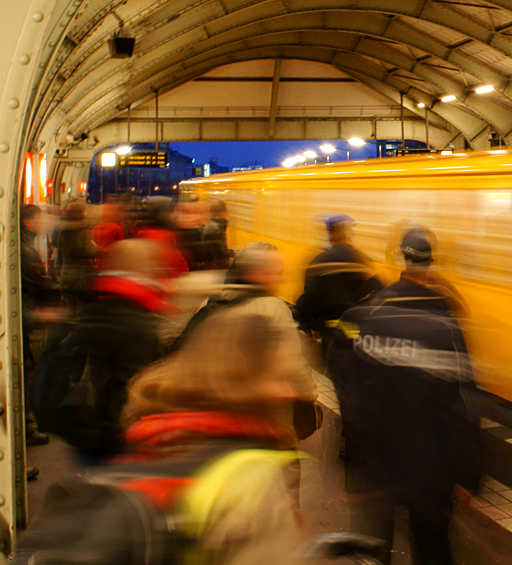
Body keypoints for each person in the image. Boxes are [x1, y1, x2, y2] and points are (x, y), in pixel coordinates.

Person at [17, 313, 306, 565]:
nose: (288, 391)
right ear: (244, 382)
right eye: (278, 377)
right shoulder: (250, 477)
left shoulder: (155, 434)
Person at [329, 228, 480, 565]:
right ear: (431, 261)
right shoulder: (446, 321)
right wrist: (469, 471)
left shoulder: (370, 312)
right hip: (427, 461)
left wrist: (349, 447)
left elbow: (344, 378)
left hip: (374, 460)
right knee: (431, 544)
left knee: (371, 545)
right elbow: (463, 400)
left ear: (401, 257)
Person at [34, 239, 168, 461]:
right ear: (144, 269)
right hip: (118, 440)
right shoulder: (137, 321)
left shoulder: (90, 308)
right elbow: (136, 386)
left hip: (83, 429)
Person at [178, 242, 320, 440]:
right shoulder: (273, 308)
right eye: (276, 273)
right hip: (262, 410)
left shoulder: (212, 301)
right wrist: (309, 397)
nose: (281, 279)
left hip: (216, 408)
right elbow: (292, 364)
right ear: (256, 274)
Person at [295, 214, 382, 351]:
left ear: (330, 234)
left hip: (330, 332)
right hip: (356, 332)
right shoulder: (361, 259)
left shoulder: (319, 261)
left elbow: (309, 296)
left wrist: (305, 325)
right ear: (348, 233)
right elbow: (377, 289)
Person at [22, 204, 62, 449]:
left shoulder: (21, 244)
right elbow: (37, 281)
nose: (43, 224)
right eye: (39, 220)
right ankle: (27, 428)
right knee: (28, 371)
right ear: (28, 222)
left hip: (26, 314)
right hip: (28, 317)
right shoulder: (25, 250)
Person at [55, 201, 98, 303]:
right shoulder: (84, 229)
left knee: (70, 303)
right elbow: (87, 251)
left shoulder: (63, 229)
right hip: (80, 274)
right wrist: (95, 247)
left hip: (66, 272)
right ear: (81, 213)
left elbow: (59, 254)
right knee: (81, 304)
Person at [91, 199, 125, 267]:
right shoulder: (117, 229)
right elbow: (121, 249)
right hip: (113, 264)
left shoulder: (96, 228)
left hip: (98, 263)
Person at [201, 199, 232, 269]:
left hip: (213, 266)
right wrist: (233, 253)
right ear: (222, 212)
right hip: (216, 268)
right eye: (226, 211)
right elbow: (221, 253)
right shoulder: (216, 228)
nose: (227, 213)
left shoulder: (213, 225)